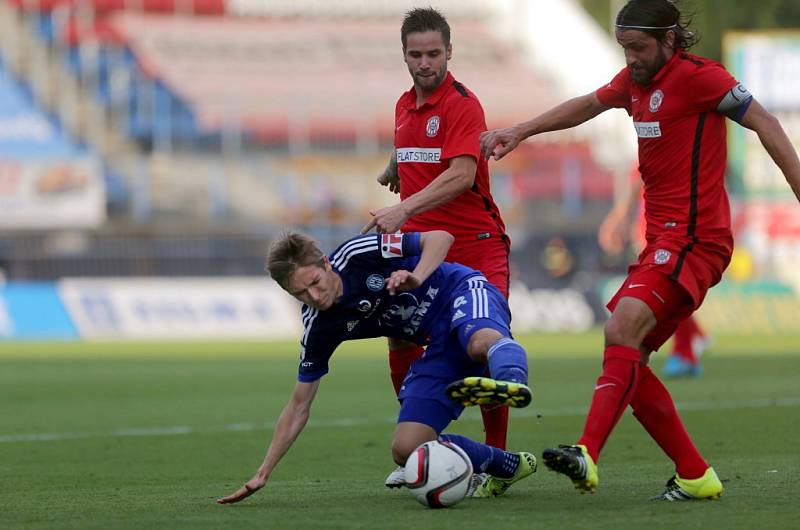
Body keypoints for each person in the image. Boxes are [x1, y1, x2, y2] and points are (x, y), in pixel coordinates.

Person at [480, 0, 800, 501]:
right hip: (664, 240)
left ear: (670, 39)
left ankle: (587, 450)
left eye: (639, 48)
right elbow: (588, 103)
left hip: (696, 238)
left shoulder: (703, 78)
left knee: (621, 328)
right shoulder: (634, 83)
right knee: (628, 354)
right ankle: (695, 474)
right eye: (624, 48)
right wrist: (521, 130)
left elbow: (766, 124)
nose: (630, 58)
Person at [217, 230, 536, 504]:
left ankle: (510, 380)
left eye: (314, 282)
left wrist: (417, 277)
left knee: (479, 343)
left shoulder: (357, 254)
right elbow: (299, 404)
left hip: (460, 292)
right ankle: (507, 465)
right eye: (301, 293)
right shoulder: (318, 327)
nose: (314, 296)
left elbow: (441, 238)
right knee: (407, 449)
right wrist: (263, 473)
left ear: (326, 263)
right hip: (437, 347)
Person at [362, 7, 513, 485]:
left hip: (476, 246)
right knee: (400, 336)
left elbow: (463, 172)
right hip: (426, 250)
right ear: (403, 55)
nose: (425, 63)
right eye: (415, 54)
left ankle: (497, 462)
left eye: (433, 53)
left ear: (449, 51)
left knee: (481, 348)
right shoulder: (404, 105)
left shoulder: (463, 104)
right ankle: (420, 455)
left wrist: (404, 209)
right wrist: (394, 168)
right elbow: (411, 145)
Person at [599, 163, 709, 378]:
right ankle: (691, 341)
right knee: (668, 285)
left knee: (664, 286)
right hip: (665, 223)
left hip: (659, 225)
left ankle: (685, 349)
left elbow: (636, 181)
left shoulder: (657, 139)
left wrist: (617, 219)